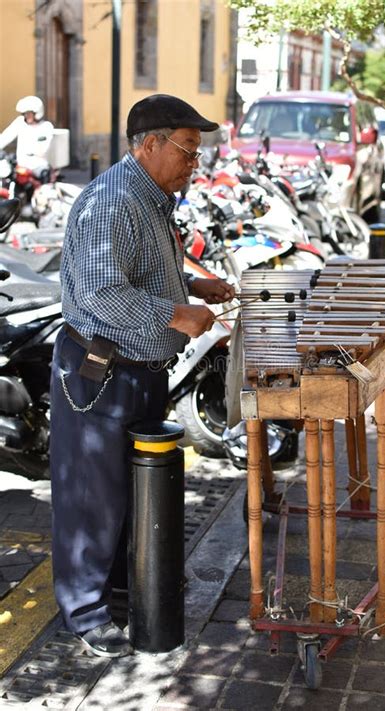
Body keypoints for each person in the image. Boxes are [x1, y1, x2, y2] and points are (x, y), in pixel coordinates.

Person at [49, 94, 235, 658]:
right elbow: (103, 290)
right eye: (187, 148)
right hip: (100, 372)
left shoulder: (150, 198)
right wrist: (178, 314)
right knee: (94, 499)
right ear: (149, 143)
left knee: (132, 495)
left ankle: (124, 590)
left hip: (141, 367)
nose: (194, 162)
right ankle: (83, 611)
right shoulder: (113, 200)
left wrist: (190, 285)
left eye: (198, 151)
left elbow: (138, 265)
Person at [0, 95, 54, 177]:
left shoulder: (46, 126)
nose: (27, 116)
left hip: (38, 165)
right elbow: (6, 136)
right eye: (25, 113)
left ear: (37, 113)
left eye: (29, 113)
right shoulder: (20, 123)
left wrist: (34, 151)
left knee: (42, 186)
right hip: (21, 165)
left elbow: (45, 148)